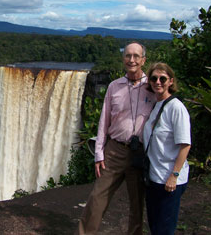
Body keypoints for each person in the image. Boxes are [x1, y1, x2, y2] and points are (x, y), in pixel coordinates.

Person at [77, 42, 156, 235]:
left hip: (139, 153)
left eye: (136, 56)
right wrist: (99, 153)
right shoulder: (114, 86)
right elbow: (104, 121)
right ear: (123, 59)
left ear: (143, 60)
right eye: (128, 56)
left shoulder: (153, 87)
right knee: (97, 198)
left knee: (137, 206)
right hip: (115, 150)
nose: (132, 60)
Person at [143, 63, 191, 235]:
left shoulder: (176, 107)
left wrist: (174, 175)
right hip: (154, 178)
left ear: (170, 81)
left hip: (169, 181)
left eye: (162, 78)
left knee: (164, 229)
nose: (158, 82)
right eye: (154, 78)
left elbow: (185, 145)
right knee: (155, 227)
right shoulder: (155, 105)